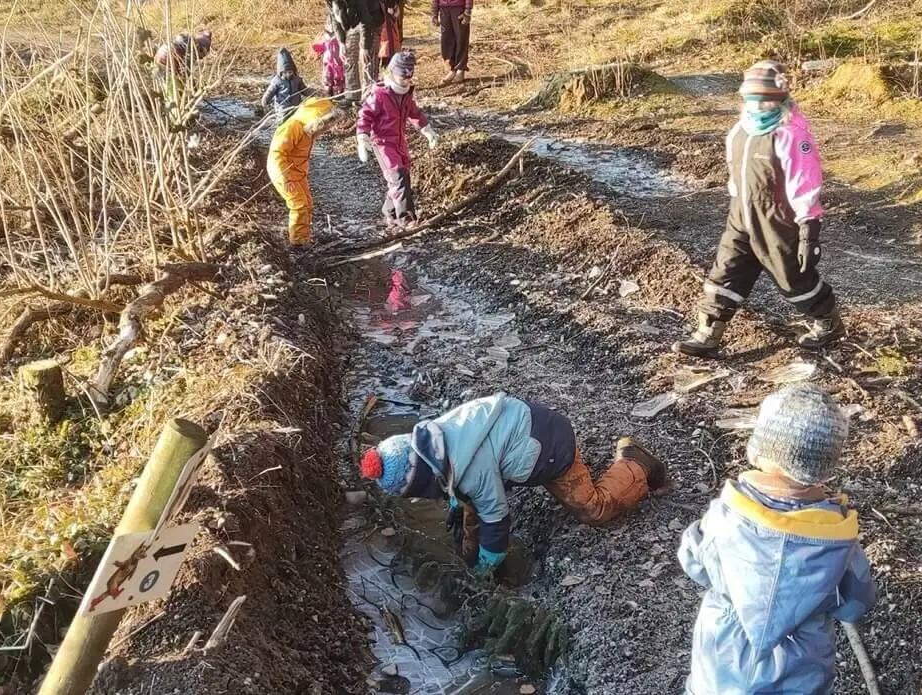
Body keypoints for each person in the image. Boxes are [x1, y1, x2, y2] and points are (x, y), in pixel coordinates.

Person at [678, 384, 875, 694]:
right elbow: (855, 605)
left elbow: (693, 562)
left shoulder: (725, 518)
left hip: (718, 669)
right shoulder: (838, 542)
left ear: (757, 451)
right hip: (801, 674)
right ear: (824, 472)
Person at [360, 392, 668, 575]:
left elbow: (497, 517)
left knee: (593, 508)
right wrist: (456, 501)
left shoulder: (471, 470)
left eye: (419, 492)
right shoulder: (435, 440)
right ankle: (470, 557)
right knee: (469, 507)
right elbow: (450, 479)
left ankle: (635, 462)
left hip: (552, 449)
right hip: (526, 425)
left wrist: (490, 561)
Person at [674, 60, 841, 357]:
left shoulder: (790, 134)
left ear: (779, 99)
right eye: (754, 101)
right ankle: (708, 331)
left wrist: (808, 228)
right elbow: (733, 170)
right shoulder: (739, 131)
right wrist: (737, 198)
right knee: (727, 269)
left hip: (777, 218)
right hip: (741, 214)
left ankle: (827, 321)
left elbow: (804, 181)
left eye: (766, 101)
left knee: (792, 275)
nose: (760, 107)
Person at [356, 49, 438, 227]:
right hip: (383, 143)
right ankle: (406, 219)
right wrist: (362, 137)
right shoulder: (379, 95)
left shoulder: (406, 94)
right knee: (398, 176)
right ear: (392, 73)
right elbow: (365, 115)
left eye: (409, 78)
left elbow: (414, 112)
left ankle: (390, 212)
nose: (406, 81)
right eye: (403, 78)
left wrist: (426, 129)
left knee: (401, 177)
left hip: (399, 141)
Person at [307, 0, 383, 105]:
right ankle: (352, 94)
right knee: (348, 54)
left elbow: (366, 20)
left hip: (371, 20)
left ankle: (369, 97)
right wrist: (341, 42)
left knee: (367, 58)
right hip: (353, 23)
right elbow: (335, 20)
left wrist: (365, 46)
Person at [266, 96, 335, 246]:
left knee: (307, 203)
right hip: (284, 173)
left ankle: (304, 237)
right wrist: (285, 178)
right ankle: (298, 243)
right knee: (299, 205)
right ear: (316, 118)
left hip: (297, 173)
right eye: (325, 124)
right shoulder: (292, 127)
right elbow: (277, 153)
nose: (326, 129)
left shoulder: (308, 130)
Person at [261, 47, 310, 124]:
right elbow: (270, 91)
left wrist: (313, 92)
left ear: (293, 71)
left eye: (290, 72)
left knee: (295, 122)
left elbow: (304, 90)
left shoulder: (297, 80)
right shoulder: (277, 81)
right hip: (282, 108)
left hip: (295, 106)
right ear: (281, 72)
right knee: (282, 123)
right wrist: (265, 100)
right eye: (285, 73)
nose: (288, 74)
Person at [310, 18, 345, 97]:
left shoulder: (339, 39)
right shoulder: (325, 39)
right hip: (327, 64)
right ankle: (328, 94)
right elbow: (321, 46)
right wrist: (316, 47)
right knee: (327, 79)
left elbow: (343, 47)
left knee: (338, 79)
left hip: (337, 63)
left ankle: (339, 94)